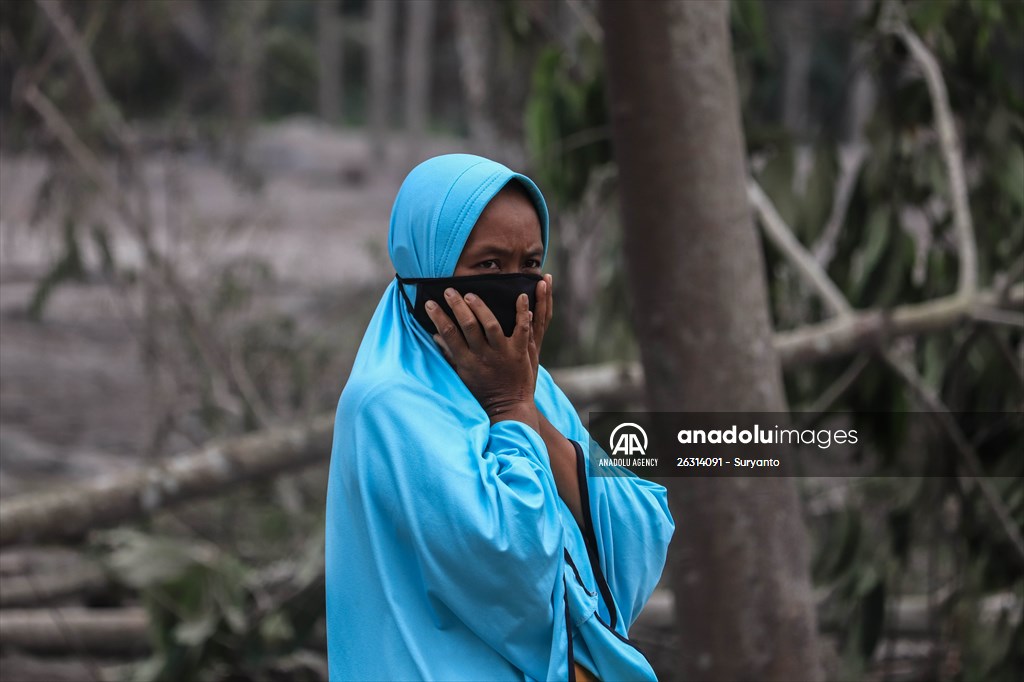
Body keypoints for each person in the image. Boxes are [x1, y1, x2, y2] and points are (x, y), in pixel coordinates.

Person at [325, 154, 674, 681]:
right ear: (427, 266)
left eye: (530, 265)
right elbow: (513, 570)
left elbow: (640, 524)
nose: (514, 287)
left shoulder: (529, 381)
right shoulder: (388, 405)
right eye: (488, 267)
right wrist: (509, 409)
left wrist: (522, 401)